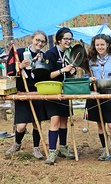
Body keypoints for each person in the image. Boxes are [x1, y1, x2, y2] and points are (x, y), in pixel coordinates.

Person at [5, 30, 49, 159]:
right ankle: (17, 143)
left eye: (42, 42)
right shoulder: (20, 53)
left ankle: (36, 148)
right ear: (32, 39)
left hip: (37, 92)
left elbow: (46, 75)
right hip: (22, 92)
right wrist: (20, 66)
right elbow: (10, 71)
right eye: (37, 40)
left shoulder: (44, 56)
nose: (39, 43)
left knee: (37, 123)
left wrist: (41, 66)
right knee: (21, 126)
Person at [85, 34, 111, 161]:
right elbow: (85, 76)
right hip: (95, 93)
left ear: (107, 45)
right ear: (94, 46)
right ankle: (105, 150)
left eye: (102, 44)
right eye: (97, 45)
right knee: (100, 125)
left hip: (110, 92)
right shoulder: (90, 60)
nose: (100, 47)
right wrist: (89, 79)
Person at [44, 27, 76, 165]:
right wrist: (63, 69)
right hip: (52, 91)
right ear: (58, 40)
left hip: (65, 91)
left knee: (64, 120)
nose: (68, 41)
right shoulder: (50, 54)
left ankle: (63, 147)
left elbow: (68, 74)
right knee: (55, 120)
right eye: (66, 39)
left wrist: (71, 72)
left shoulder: (69, 53)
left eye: (70, 38)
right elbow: (47, 75)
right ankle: (52, 151)